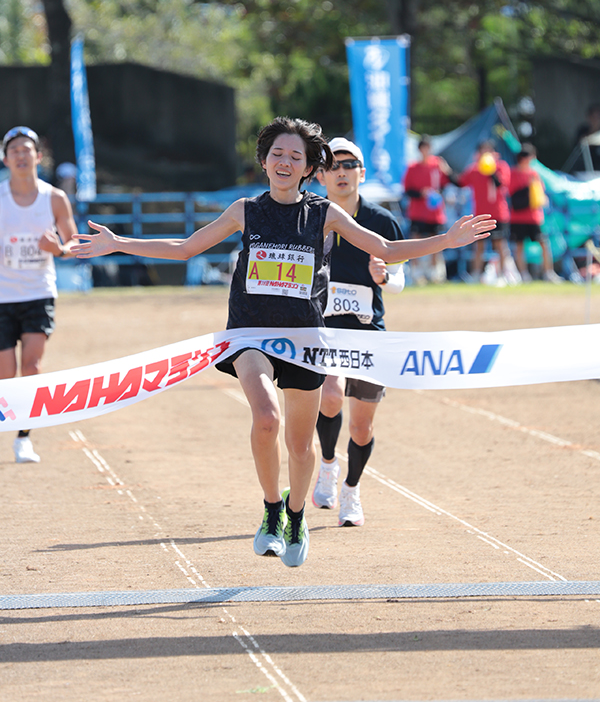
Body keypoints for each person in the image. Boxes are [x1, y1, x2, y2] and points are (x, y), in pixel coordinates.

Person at [73, 116, 495, 567]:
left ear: (309, 167)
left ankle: (296, 514)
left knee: (300, 445)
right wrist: (118, 242)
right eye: (277, 153)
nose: (285, 162)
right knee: (266, 418)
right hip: (250, 335)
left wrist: (447, 240)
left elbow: (386, 250)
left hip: (304, 339)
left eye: (295, 156)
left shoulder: (324, 213)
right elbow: (185, 248)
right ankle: (272, 507)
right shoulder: (244, 211)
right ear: (264, 160)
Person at [312, 137, 405, 527]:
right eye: (333, 165)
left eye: (349, 165)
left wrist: (383, 278)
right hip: (324, 329)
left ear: (361, 173)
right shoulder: (309, 217)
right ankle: (328, 466)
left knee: (362, 426)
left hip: (368, 332)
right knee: (330, 396)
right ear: (320, 175)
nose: (342, 172)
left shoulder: (381, 221)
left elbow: (399, 281)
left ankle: (351, 489)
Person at [0, 126, 78, 463]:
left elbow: (73, 242)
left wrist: (58, 248)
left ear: (38, 156)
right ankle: (9, 423)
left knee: (31, 367)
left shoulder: (54, 198)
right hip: (2, 295)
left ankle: (24, 439)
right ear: (5, 159)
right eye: (14, 150)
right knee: (5, 373)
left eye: (26, 150)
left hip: (38, 292)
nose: (21, 155)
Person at [457, 140, 514, 286]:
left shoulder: (501, 167)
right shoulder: (474, 169)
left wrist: (491, 170)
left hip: (499, 213)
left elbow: (501, 184)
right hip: (480, 214)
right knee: (478, 246)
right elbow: (460, 182)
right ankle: (476, 274)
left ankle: (503, 275)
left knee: (500, 245)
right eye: (483, 151)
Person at [403, 135, 454, 284]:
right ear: (419, 150)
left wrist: (446, 171)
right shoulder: (412, 167)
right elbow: (407, 190)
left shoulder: (438, 165)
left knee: (436, 241)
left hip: (435, 212)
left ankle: (434, 272)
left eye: (428, 148)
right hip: (417, 212)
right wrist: (422, 193)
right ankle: (416, 272)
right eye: (423, 148)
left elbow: (448, 183)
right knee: (415, 240)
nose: (426, 151)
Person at [509, 143, 562, 283]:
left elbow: (540, 194)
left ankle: (548, 273)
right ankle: (523, 275)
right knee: (519, 246)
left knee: (544, 244)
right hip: (518, 217)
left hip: (534, 217)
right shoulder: (513, 173)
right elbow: (512, 194)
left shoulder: (534, 174)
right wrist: (528, 189)